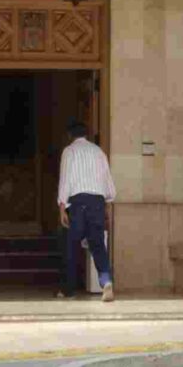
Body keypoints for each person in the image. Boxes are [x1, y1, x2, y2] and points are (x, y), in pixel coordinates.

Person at [56, 121, 116, 302]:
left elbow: (66, 178)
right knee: (98, 244)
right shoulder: (98, 152)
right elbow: (107, 179)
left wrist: (62, 206)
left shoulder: (69, 151)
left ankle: (68, 290)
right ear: (86, 135)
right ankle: (106, 282)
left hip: (78, 202)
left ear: (70, 135)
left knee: (71, 245)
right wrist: (107, 204)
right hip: (97, 202)